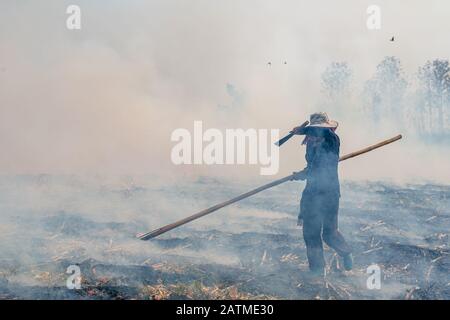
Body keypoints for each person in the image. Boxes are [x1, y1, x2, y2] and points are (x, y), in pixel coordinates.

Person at [291, 112, 352, 276]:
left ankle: (346, 252)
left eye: (319, 129)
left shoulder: (331, 140)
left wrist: (302, 175)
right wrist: (302, 131)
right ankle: (317, 270)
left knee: (329, 233)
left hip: (328, 192)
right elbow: (313, 165)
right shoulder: (312, 140)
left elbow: (320, 168)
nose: (315, 132)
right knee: (311, 233)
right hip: (313, 192)